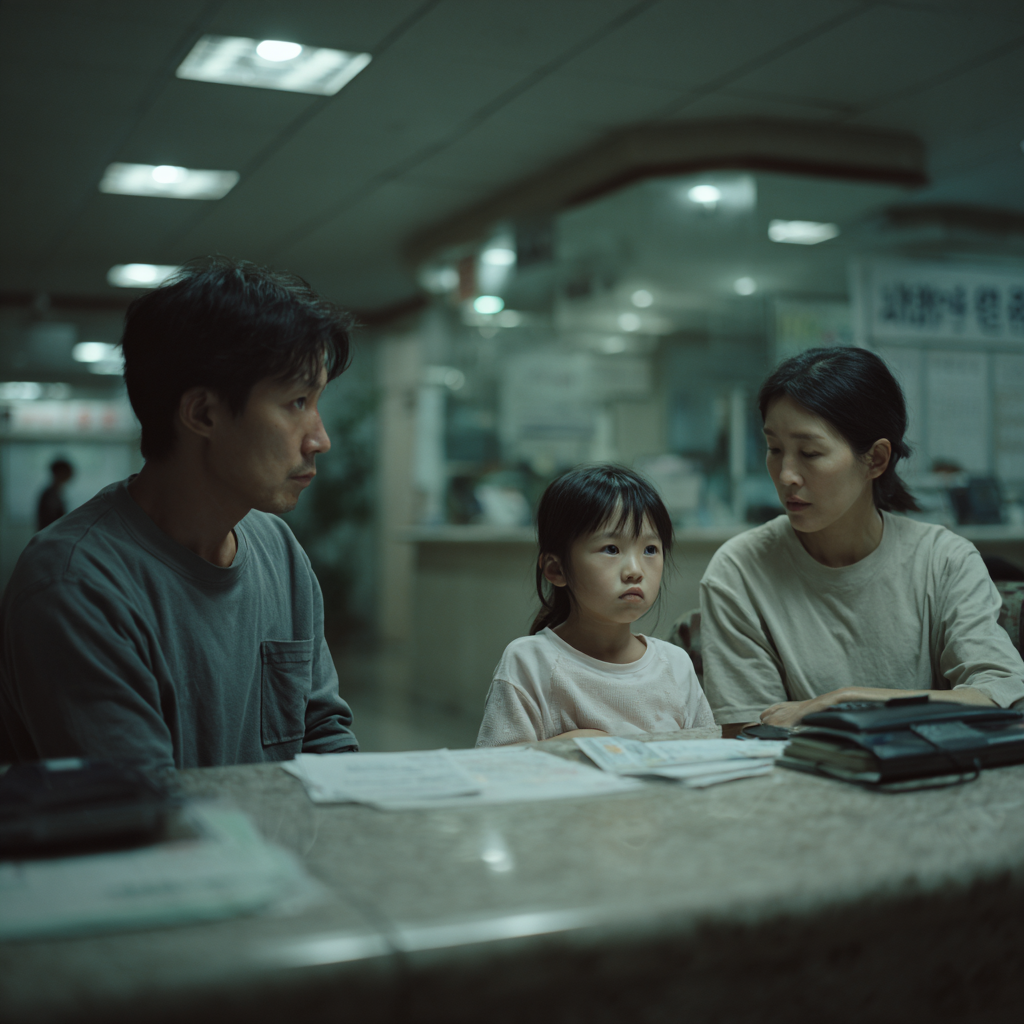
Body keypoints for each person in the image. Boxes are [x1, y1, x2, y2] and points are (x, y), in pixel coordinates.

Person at [0, 257, 359, 769]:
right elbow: (140, 801)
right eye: (298, 402)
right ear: (203, 413)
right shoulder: (76, 584)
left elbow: (323, 735)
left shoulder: (278, 551)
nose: (320, 439)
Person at [700, 347, 1024, 733]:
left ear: (875, 459)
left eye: (809, 452)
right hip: (796, 771)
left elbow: (1001, 693)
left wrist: (850, 700)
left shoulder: (944, 560)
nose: (786, 475)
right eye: (774, 449)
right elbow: (753, 735)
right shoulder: (740, 569)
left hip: (934, 768)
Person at [476, 464, 713, 746]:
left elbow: (709, 755)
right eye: (611, 549)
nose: (635, 570)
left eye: (650, 549)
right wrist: (573, 743)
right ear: (556, 569)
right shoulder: (529, 663)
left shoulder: (675, 664)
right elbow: (496, 765)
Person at [36, 458, 74, 531]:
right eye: (66, 472)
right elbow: (51, 520)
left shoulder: (55, 492)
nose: (70, 474)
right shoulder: (51, 494)